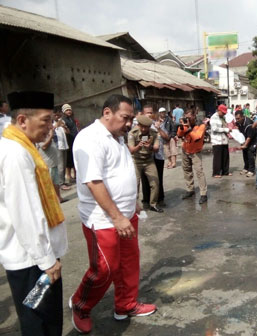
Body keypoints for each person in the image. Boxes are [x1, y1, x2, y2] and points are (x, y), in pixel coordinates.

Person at [70, 95, 157, 334]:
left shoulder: (117, 137)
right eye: (125, 117)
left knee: (129, 263)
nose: (129, 123)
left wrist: (133, 202)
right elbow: (94, 182)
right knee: (104, 269)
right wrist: (117, 217)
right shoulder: (90, 139)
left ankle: (125, 305)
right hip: (102, 219)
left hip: (126, 214)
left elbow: (120, 172)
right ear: (107, 112)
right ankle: (80, 305)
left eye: (131, 118)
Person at [0, 91, 67, 335]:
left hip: (34, 255)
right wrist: (47, 260)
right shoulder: (17, 153)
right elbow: (25, 212)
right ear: (22, 121)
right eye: (46, 120)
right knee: (40, 322)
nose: (50, 127)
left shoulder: (21, 145)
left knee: (42, 319)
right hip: (32, 260)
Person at [128, 111, 163, 213]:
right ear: (138, 125)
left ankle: (153, 204)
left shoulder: (154, 133)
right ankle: (134, 207)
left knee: (155, 182)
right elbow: (131, 150)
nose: (143, 129)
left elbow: (156, 148)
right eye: (141, 127)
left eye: (146, 127)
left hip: (149, 160)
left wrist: (150, 147)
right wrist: (139, 146)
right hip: (136, 161)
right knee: (135, 185)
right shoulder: (132, 133)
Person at [177, 109, 208, 204]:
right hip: (185, 149)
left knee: (199, 172)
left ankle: (203, 194)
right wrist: (182, 127)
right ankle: (190, 190)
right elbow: (179, 135)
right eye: (186, 117)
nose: (188, 118)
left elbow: (197, 137)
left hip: (195, 151)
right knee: (186, 170)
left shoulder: (201, 125)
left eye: (189, 116)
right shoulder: (186, 124)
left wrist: (189, 129)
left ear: (194, 115)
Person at [235, 110, 257, 177]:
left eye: (238, 118)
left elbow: (249, 137)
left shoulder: (249, 124)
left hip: (253, 138)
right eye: (236, 118)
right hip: (245, 137)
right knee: (244, 152)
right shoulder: (238, 122)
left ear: (243, 117)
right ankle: (246, 167)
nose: (237, 120)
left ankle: (251, 170)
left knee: (250, 152)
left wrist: (245, 145)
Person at [210, 104, 231, 178]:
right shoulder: (213, 117)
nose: (224, 114)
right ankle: (216, 172)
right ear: (218, 110)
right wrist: (226, 130)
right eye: (223, 112)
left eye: (225, 113)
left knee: (225, 156)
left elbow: (225, 125)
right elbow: (215, 129)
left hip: (224, 139)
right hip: (217, 140)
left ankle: (225, 171)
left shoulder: (223, 117)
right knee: (217, 157)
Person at [62, 104, 78, 183]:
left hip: (74, 139)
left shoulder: (72, 119)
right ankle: (68, 176)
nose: (69, 111)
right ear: (64, 112)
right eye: (67, 110)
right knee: (69, 158)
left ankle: (75, 175)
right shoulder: (64, 120)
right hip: (69, 140)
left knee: (74, 157)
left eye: (69, 110)